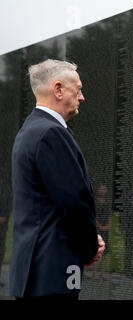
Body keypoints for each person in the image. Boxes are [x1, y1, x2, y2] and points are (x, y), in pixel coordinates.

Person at [10, 59, 105, 300]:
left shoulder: (30, 130)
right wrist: (90, 246)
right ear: (59, 89)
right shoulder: (51, 133)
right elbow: (74, 200)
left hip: (36, 268)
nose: (82, 97)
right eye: (79, 89)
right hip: (52, 268)